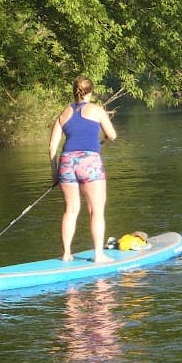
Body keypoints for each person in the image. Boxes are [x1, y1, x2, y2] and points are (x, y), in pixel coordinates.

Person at [49, 76, 117, 263]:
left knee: (70, 210)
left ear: (74, 91)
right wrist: (103, 138)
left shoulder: (63, 114)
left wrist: (55, 172)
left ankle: (66, 254)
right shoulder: (97, 110)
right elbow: (112, 135)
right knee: (96, 210)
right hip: (89, 161)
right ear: (91, 92)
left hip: (66, 162)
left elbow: (52, 147)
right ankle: (98, 255)